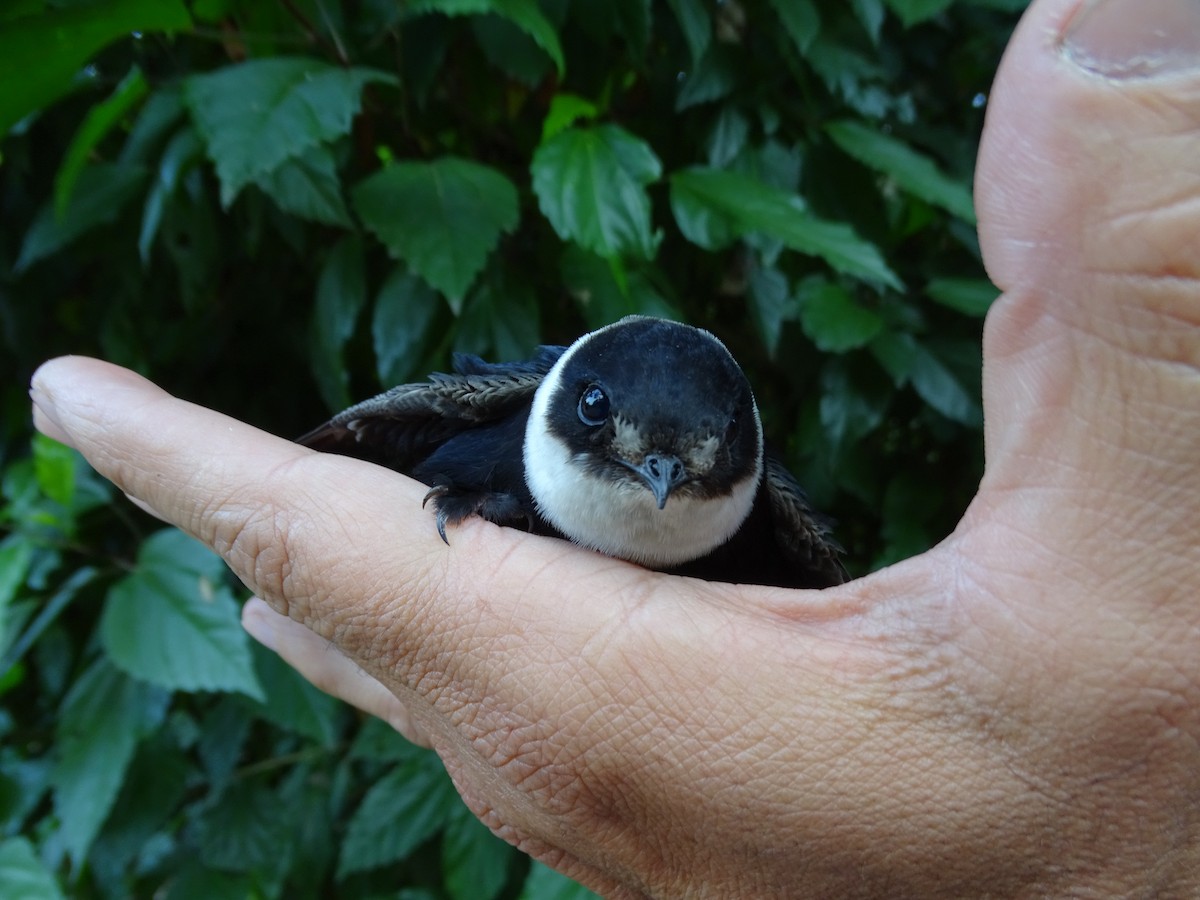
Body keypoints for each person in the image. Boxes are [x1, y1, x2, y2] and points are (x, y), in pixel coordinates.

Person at [29, 0, 1200, 894]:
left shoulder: (755, 512)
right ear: (560, 397)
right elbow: (372, 443)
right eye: (613, 431)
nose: (654, 473)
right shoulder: (510, 405)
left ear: (740, 456)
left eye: (690, 464)